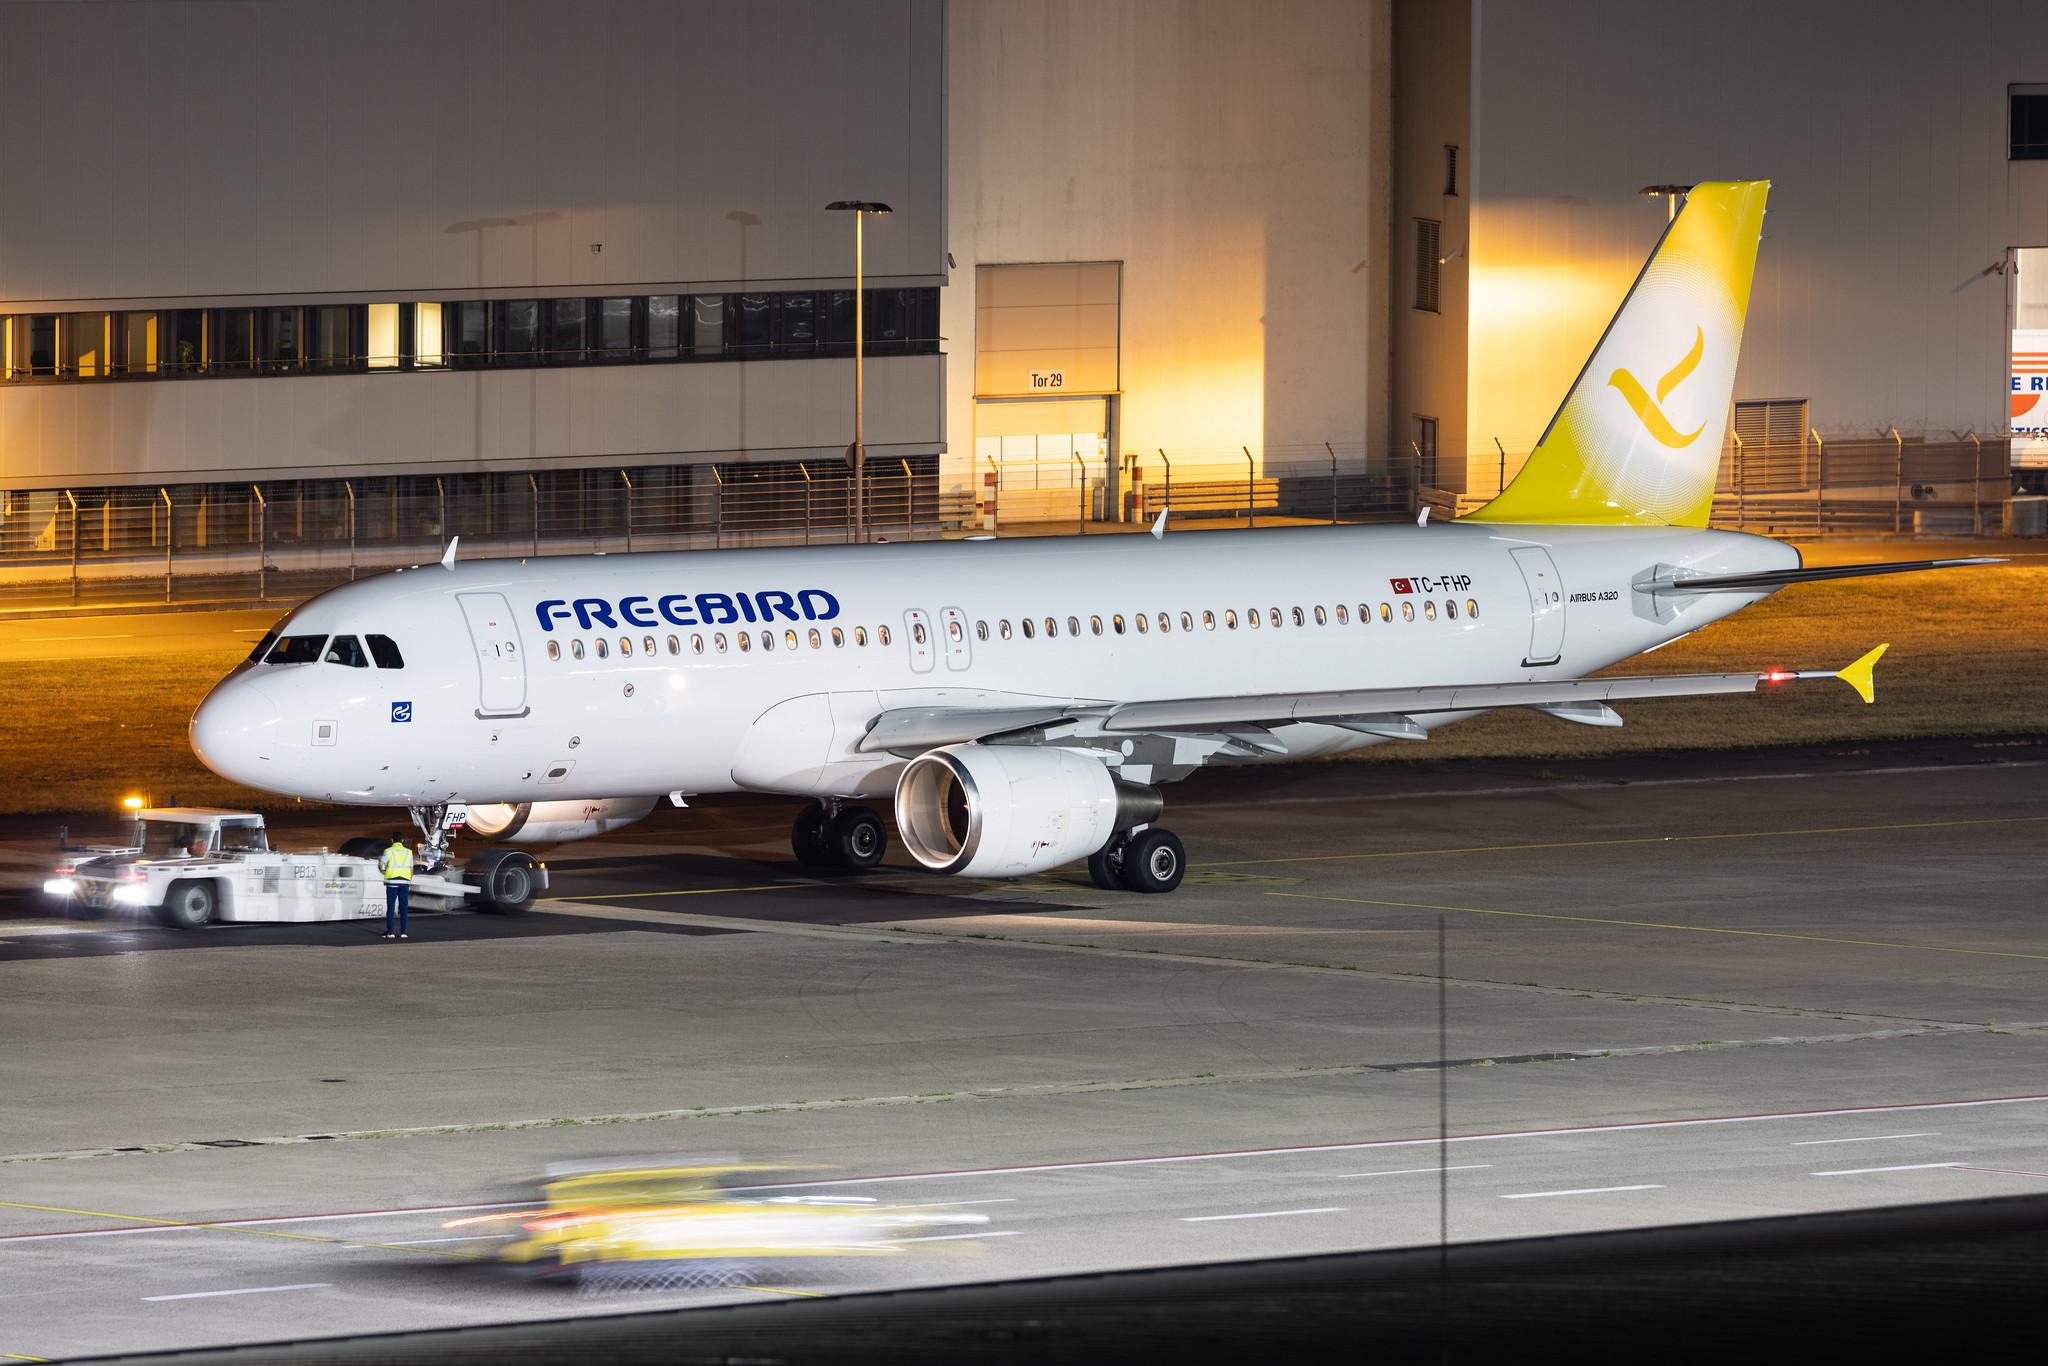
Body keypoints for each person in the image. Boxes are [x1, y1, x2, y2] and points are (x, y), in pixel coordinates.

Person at [379, 832, 414, 940]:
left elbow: (381, 864)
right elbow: (411, 869)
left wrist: (384, 872)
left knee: (391, 907)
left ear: (392, 840)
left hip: (392, 881)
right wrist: (409, 880)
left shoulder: (388, 851)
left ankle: (390, 932)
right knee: (404, 907)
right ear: (402, 840)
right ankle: (404, 932)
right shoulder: (409, 852)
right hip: (404, 882)